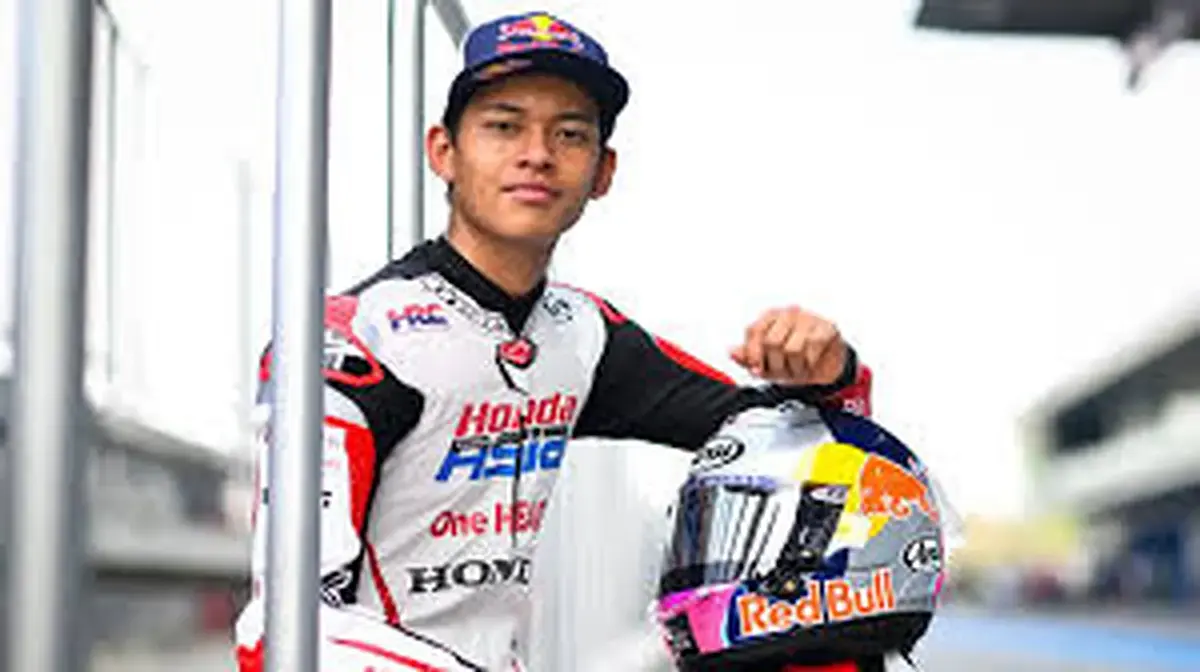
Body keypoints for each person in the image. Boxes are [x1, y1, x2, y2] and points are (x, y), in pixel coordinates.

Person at [234, 10, 875, 672]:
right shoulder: (353, 342)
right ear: (443, 152)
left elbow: (800, 444)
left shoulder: (582, 335)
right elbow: (282, 629)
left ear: (603, 172)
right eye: (504, 126)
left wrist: (831, 372)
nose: (537, 153)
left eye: (570, 134)